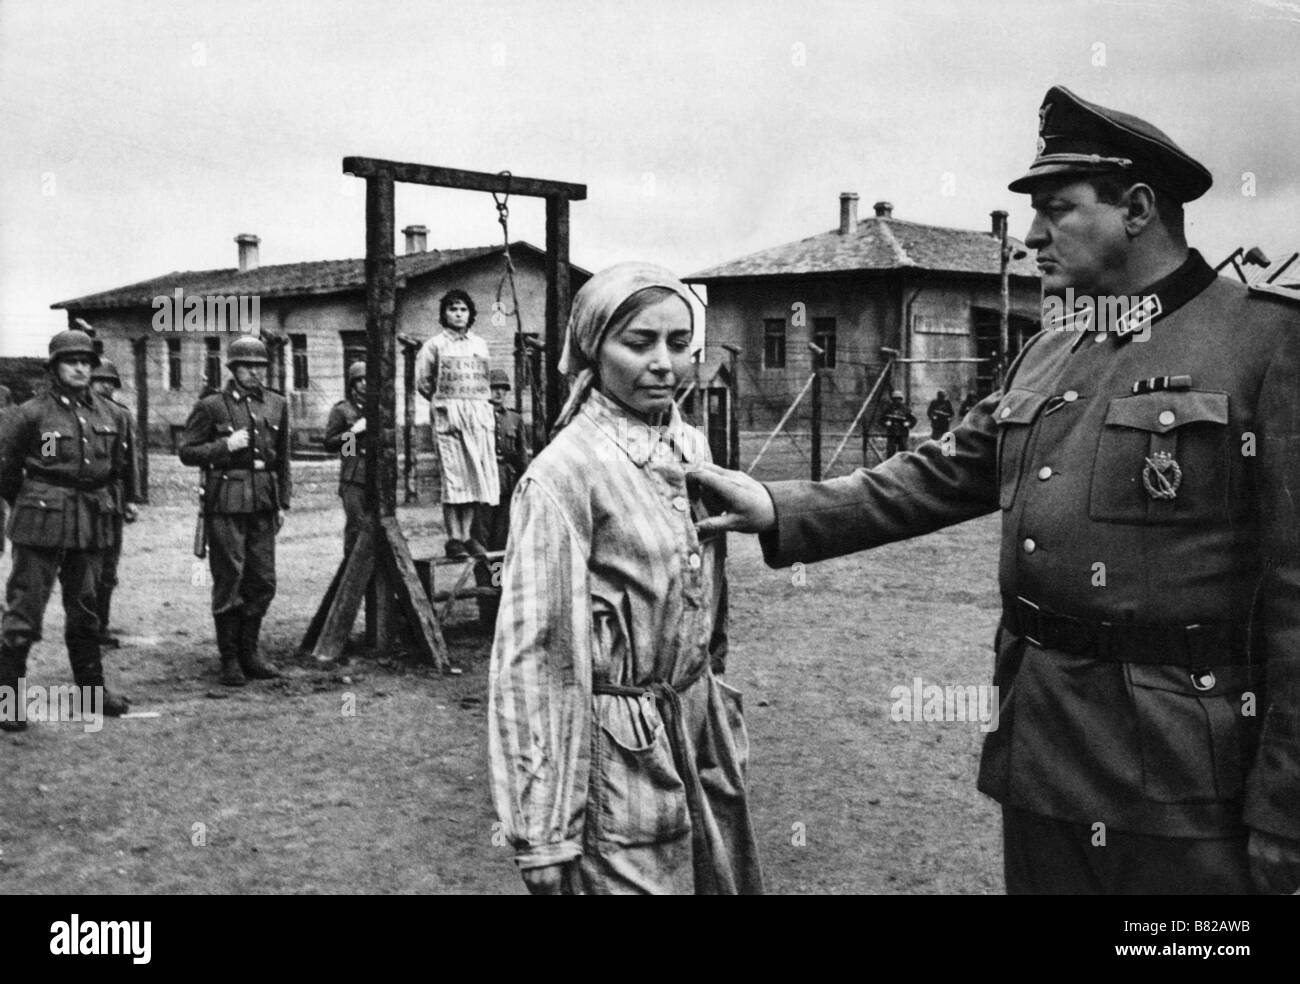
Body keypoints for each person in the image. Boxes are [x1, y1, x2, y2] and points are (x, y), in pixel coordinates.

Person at [690, 85, 1300, 895]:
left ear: (1140, 208)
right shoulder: (1052, 351)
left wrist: (1286, 806)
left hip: (1185, 777)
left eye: (1058, 209)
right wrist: (781, 506)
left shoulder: (1266, 343)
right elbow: (943, 471)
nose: (1035, 237)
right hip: (1043, 751)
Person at [488, 262, 762, 895]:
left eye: (677, 342)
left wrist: (710, 701)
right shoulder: (563, 476)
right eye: (638, 343)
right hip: (617, 763)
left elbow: (705, 600)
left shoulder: (691, 448)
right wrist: (544, 831)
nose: (663, 362)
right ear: (593, 348)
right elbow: (537, 660)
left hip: (695, 735)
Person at [0, 330, 133, 730]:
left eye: (86, 362)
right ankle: (8, 702)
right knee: (24, 611)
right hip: (40, 521)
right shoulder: (31, 414)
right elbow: (5, 470)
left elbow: (118, 469)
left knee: (86, 610)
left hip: (90, 519)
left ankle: (92, 693)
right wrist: (34, 498)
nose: (80, 368)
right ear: (55, 367)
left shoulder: (111, 415)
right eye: (71, 361)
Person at [179, 336, 290, 687]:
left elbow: (283, 458)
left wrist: (283, 502)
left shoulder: (277, 404)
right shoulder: (212, 405)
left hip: (263, 500)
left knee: (263, 579)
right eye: (247, 366)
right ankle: (229, 658)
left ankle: (250, 652)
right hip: (225, 499)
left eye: (260, 366)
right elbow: (187, 451)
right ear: (233, 368)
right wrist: (225, 445)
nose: (255, 372)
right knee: (231, 577)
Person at [415, 289, 499, 559]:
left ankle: (468, 536)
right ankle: (454, 538)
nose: (458, 314)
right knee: (454, 478)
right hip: (449, 418)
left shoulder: (480, 345)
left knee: (474, 476)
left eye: (463, 309)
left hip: (476, 419)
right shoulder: (434, 345)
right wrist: (447, 403)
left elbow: (482, 380)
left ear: (470, 314)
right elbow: (424, 382)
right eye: (453, 309)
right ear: (444, 314)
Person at [88, 358, 143, 648]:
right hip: (81, 500)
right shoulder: (68, 413)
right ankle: (84, 627)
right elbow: (50, 455)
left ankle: (100, 626)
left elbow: (130, 459)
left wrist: (133, 499)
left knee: (108, 568)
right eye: (100, 381)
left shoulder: (121, 415)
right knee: (84, 568)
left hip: (113, 500)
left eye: (111, 382)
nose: (106, 386)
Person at [322, 360, 369, 556]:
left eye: (367, 379)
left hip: (375, 476)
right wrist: (353, 432)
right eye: (360, 380)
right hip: (353, 477)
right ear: (352, 384)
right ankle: (350, 576)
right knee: (356, 527)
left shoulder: (377, 409)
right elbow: (331, 444)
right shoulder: (342, 410)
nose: (365, 383)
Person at [880, 390, 916, 458]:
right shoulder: (889, 409)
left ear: (901, 399)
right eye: (895, 399)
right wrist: (886, 423)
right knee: (890, 451)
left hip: (902, 432)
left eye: (899, 399)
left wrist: (908, 423)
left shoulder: (906, 409)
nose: (897, 401)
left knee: (903, 451)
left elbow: (913, 420)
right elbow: (881, 419)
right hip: (892, 432)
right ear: (892, 400)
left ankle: (903, 466)